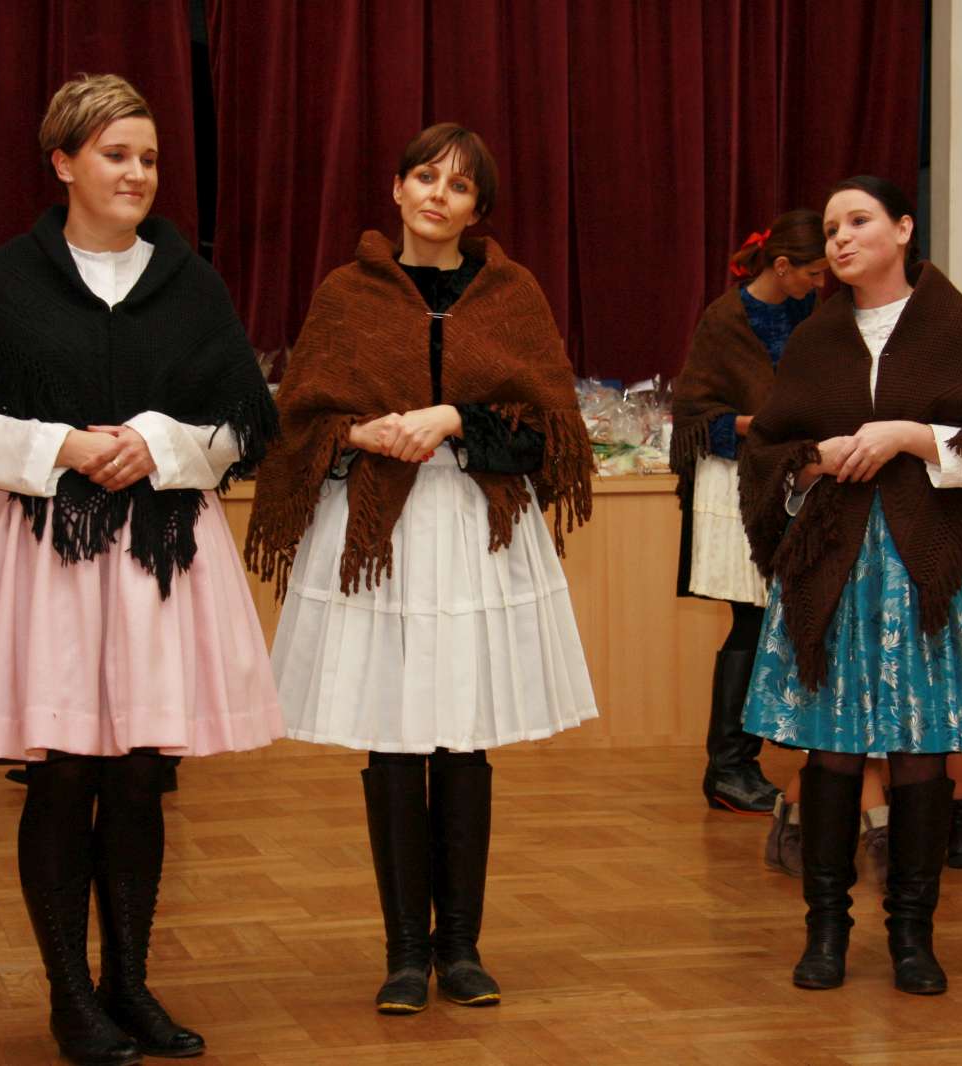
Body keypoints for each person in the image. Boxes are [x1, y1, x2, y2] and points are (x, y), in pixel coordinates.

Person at [0, 75, 282, 1065]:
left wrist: (158, 443)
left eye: (149, 157)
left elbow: (240, 422)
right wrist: (59, 445)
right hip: (44, 556)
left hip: (156, 560)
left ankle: (129, 985)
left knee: (142, 777)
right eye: (116, 154)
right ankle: (71, 996)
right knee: (63, 776)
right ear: (63, 162)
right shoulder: (5, 282)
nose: (137, 173)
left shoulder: (190, 284)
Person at [247, 123, 595, 1016]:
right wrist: (357, 432)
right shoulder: (346, 293)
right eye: (427, 177)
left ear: (478, 209)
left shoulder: (512, 293)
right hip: (377, 535)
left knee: (464, 736)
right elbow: (300, 423)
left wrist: (452, 418)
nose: (440, 195)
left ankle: (462, 950)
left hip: (477, 528)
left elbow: (550, 427)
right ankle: (405, 955)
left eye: (461, 185)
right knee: (394, 736)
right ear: (398, 188)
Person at [739, 175, 962, 996]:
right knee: (832, 749)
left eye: (859, 221)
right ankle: (826, 932)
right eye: (831, 228)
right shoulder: (817, 338)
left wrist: (911, 437)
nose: (840, 239)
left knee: (921, 754)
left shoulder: (954, 324)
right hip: (836, 563)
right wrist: (815, 461)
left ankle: (914, 936)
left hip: (933, 563)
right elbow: (768, 453)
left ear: (904, 229)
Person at [671, 209, 826, 819]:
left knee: (775, 621)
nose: (820, 282)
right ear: (782, 266)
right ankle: (729, 767)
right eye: (812, 272)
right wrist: (754, 425)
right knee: (752, 621)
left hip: (794, 480)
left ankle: (745, 761)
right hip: (735, 485)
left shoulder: (810, 313)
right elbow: (692, 418)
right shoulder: (725, 319)